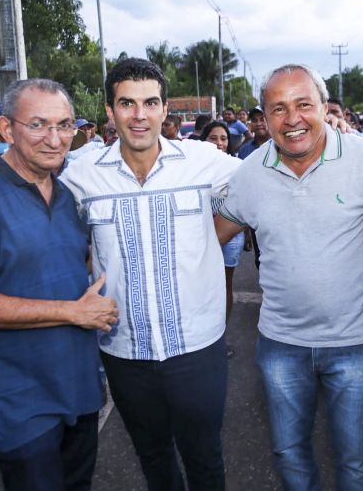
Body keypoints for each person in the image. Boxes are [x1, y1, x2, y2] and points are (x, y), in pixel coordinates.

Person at [60, 58, 241, 490]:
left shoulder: (205, 161)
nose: (139, 115)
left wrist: (211, 240)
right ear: (110, 110)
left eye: (150, 102)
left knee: (205, 459)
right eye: (127, 103)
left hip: (197, 346)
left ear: (165, 110)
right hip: (124, 350)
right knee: (154, 459)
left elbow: (258, 193)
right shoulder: (81, 175)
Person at [215, 64, 363, 490]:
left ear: (324, 107)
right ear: (264, 116)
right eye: (278, 108)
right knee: (289, 453)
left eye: (303, 104)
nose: (292, 119)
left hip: (357, 344)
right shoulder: (251, 171)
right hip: (280, 345)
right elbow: (212, 239)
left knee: (355, 461)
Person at [0, 79, 118, 490]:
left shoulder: (70, 192)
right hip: (21, 400)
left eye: (65, 125)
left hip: (79, 387)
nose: (55, 139)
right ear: (6, 129)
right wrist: (73, 312)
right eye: (38, 125)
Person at [200, 121, 246, 358]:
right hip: (202, 237)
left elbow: (247, 202)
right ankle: (204, 337)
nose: (219, 143)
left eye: (223, 138)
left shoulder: (238, 168)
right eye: (213, 138)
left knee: (225, 285)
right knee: (203, 285)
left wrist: (245, 234)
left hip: (233, 236)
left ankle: (221, 336)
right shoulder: (196, 169)